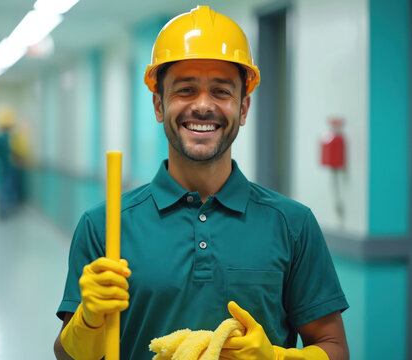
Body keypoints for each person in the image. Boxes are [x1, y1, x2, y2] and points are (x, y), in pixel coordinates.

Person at [54, 6, 349, 360]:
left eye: (222, 92)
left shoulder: (293, 224)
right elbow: (68, 356)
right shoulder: (105, 225)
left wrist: (276, 358)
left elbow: (334, 349)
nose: (203, 106)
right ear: (159, 105)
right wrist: (87, 322)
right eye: (186, 90)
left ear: (243, 108)